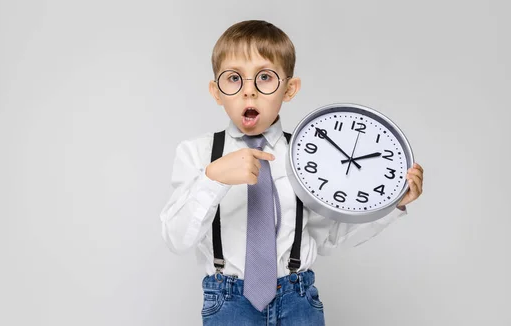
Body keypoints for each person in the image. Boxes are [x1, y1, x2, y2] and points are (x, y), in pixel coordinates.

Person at [159, 20, 424, 325]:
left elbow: (329, 238)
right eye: (233, 78)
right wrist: (213, 178)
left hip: (298, 300)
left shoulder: (313, 155)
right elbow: (176, 238)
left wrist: (394, 203)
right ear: (216, 91)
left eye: (265, 78)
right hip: (227, 303)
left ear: (290, 88)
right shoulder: (197, 153)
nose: (249, 92)